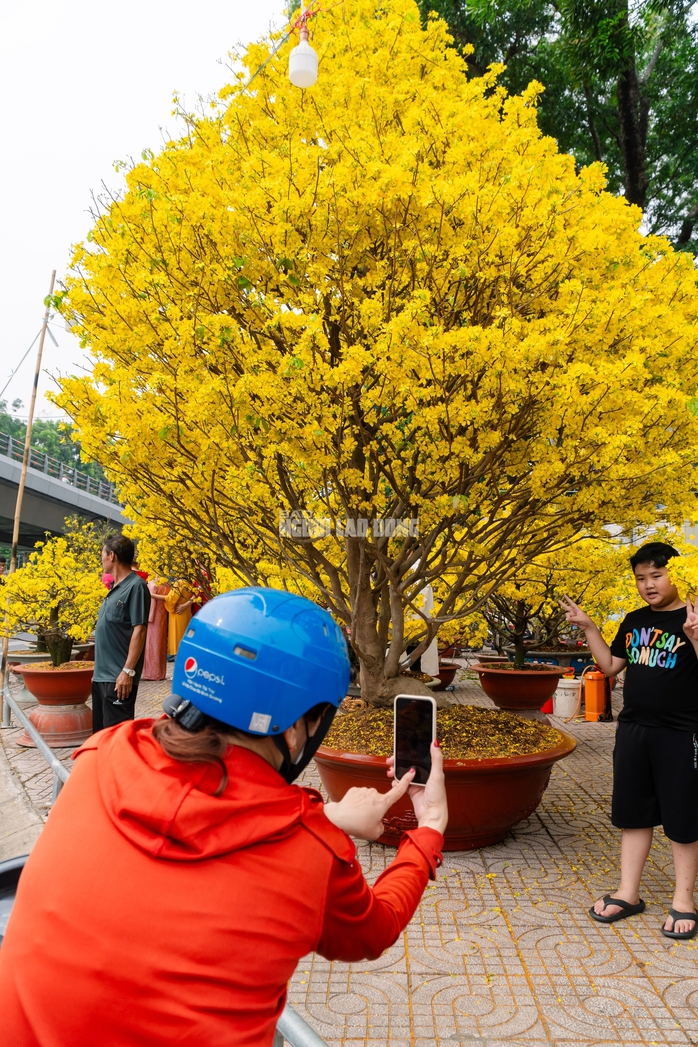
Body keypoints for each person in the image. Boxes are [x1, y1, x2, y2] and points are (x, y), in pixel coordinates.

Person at [0, 587, 447, 1047]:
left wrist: (326, 817)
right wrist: (429, 826)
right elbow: (372, 931)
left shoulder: (102, 754)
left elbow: (195, 816)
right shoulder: (310, 853)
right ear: (296, 728)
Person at [562, 541, 698, 940]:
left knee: (682, 816)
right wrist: (589, 626)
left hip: (682, 733)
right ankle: (628, 893)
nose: (648, 585)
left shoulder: (693, 619)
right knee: (633, 812)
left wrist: (694, 635)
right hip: (634, 730)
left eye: (657, 576)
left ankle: (684, 900)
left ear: (677, 574)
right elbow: (608, 667)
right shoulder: (635, 619)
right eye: (641, 578)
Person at [92, 535, 151, 733]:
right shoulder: (113, 588)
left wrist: (127, 672)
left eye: (102, 554)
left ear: (112, 555)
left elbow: (140, 630)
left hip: (119, 680)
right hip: (101, 678)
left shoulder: (136, 586)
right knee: (100, 738)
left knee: (117, 739)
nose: (101, 559)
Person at [142, 579, 170, 681]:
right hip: (162, 615)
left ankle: (151, 673)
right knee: (160, 642)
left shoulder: (153, 584)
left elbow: (151, 603)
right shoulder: (166, 583)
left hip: (153, 616)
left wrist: (149, 616)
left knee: (151, 644)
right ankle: (160, 672)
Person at [164, 579, 197, 656]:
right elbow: (195, 594)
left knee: (177, 646)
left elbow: (170, 599)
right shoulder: (189, 581)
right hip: (186, 613)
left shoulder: (179, 583)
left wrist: (151, 595)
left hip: (177, 614)